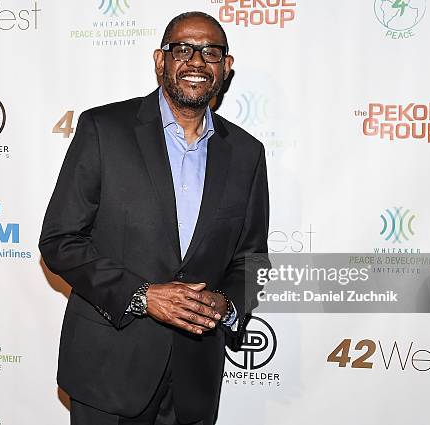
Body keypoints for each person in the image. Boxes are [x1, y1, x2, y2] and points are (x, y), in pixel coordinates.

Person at [39, 11, 269, 425]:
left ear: (226, 68)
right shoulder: (103, 129)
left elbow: (252, 259)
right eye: (183, 49)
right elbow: (60, 239)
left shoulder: (247, 153)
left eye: (210, 52)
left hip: (194, 378)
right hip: (109, 369)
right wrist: (144, 295)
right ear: (160, 60)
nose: (196, 62)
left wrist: (228, 303)